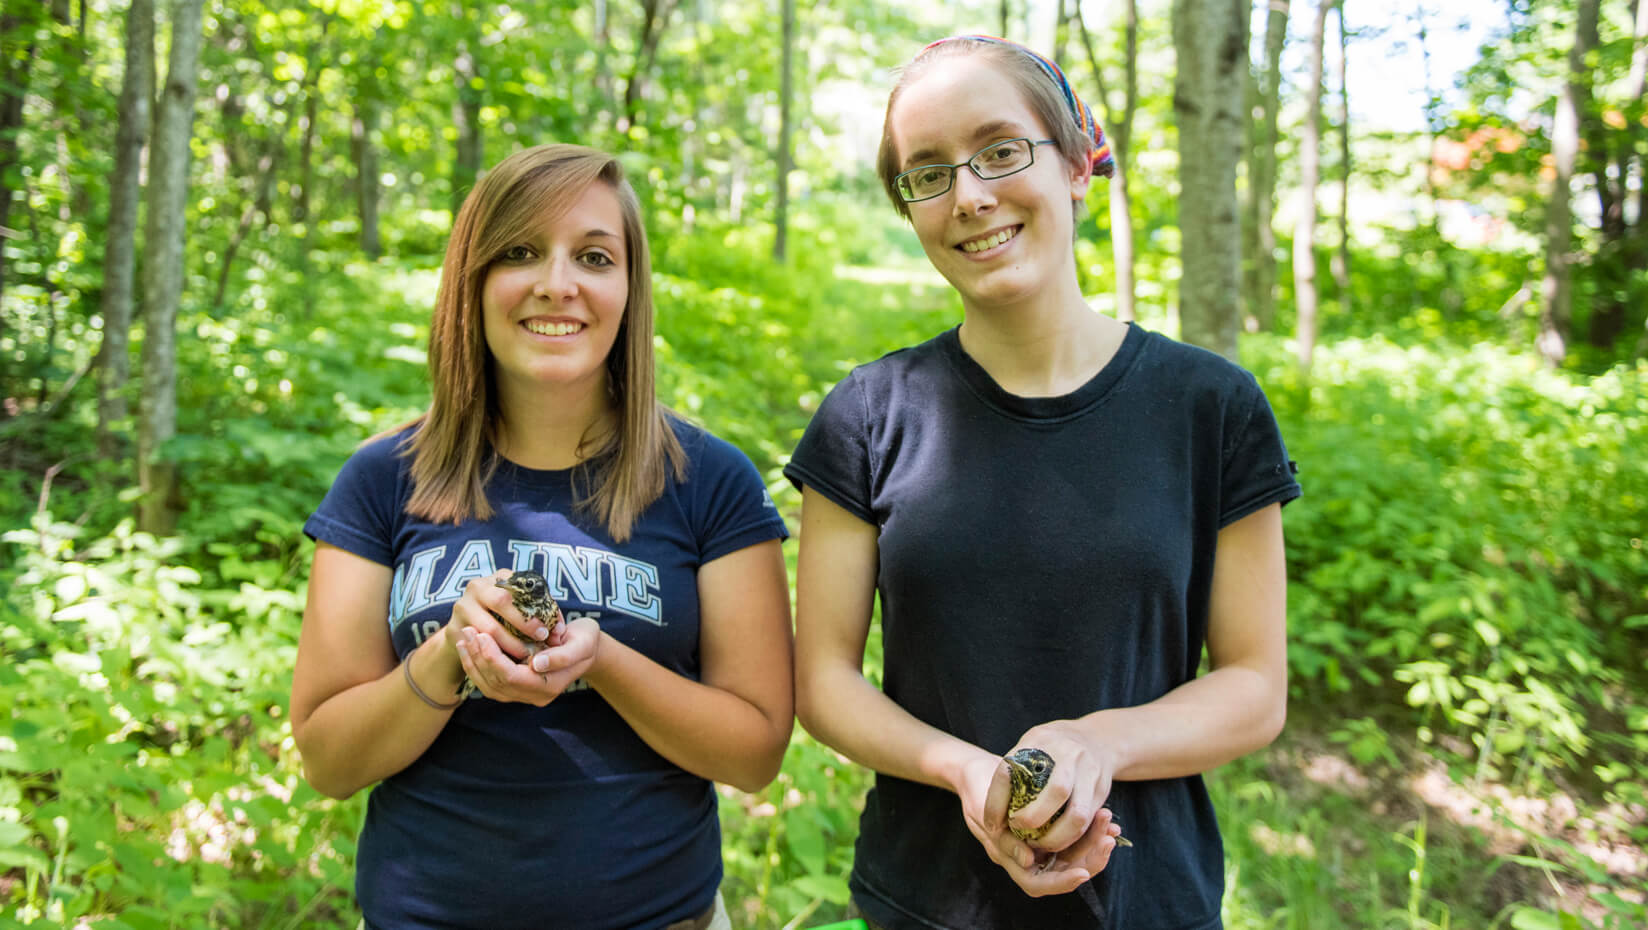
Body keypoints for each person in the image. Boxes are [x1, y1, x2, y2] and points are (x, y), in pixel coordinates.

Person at [786, 36, 1302, 930]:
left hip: (1150, 901)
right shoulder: (867, 414)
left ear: (1074, 164)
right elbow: (825, 680)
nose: (970, 195)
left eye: (998, 150)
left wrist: (1095, 742)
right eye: (929, 172)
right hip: (927, 899)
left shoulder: (1210, 405)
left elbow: (1255, 685)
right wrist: (966, 770)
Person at [290, 143, 793, 930]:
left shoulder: (711, 481)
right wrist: (448, 654)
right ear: (474, 279)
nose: (557, 283)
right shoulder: (382, 478)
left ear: (628, 289)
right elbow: (327, 759)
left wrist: (602, 658)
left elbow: (756, 751)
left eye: (595, 256)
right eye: (520, 251)